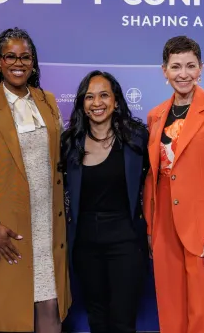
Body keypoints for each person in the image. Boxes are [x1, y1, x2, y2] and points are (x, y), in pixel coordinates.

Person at [0, 27, 70, 332]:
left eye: (25, 57)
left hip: (47, 226)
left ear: (33, 63)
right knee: (9, 313)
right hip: (7, 229)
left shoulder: (47, 102)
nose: (18, 63)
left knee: (49, 307)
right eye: (10, 56)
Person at [143, 36, 204, 332]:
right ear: (164, 71)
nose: (183, 73)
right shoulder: (156, 115)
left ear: (201, 69)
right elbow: (153, 175)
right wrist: (151, 228)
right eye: (175, 66)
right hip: (164, 228)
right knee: (171, 313)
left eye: (190, 66)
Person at [60, 71, 149, 333]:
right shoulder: (69, 143)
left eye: (103, 95)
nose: (96, 102)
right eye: (89, 96)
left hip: (126, 242)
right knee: (96, 317)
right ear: (82, 104)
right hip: (85, 245)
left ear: (116, 102)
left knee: (123, 319)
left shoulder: (137, 139)